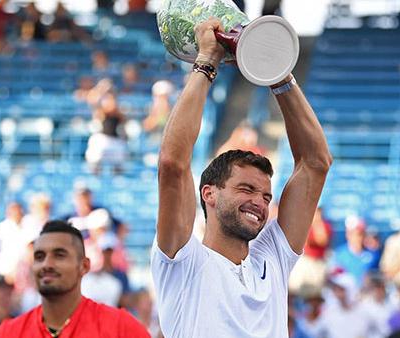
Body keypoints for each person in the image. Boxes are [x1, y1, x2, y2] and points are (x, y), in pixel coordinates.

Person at [151, 17, 332, 338]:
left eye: (265, 196)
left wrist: (276, 72)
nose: (259, 203)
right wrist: (206, 62)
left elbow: (316, 163)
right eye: (246, 189)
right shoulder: (183, 261)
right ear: (209, 193)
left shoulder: (272, 260)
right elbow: (173, 163)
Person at [0, 221, 149, 337]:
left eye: (59, 255)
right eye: (39, 257)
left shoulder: (121, 328)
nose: (47, 264)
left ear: (84, 266)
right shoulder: (8, 333)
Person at [288, 206, 332, 292]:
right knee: (295, 289)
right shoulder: (305, 224)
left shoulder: (325, 225)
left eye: (318, 212)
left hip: (318, 263)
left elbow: (322, 240)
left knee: (315, 292)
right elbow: (303, 242)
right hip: (305, 260)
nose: (316, 214)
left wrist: (317, 224)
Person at [331, 215, 381, 286]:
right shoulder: (339, 254)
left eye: (361, 234)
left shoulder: (373, 255)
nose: (359, 238)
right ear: (347, 234)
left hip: (367, 294)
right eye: (356, 234)